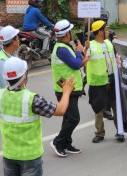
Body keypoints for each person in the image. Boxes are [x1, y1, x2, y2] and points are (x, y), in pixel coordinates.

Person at [0, 57, 74, 176]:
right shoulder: (32, 99)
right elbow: (60, 110)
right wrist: (66, 92)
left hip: (9, 155)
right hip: (29, 156)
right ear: (24, 76)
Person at [51, 19, 88, 157]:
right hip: (65, 89)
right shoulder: (62, 49)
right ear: (67, 34)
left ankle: (66, 143)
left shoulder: (63, 46)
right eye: (70, 31)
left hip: (68, 87)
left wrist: (81, 59)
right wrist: (79, 52)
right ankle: (57, 141)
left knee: (68, 118)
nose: (72, 33)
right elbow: (75, 64)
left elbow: (75, 64)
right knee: (73, 118)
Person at [86, 20, 124, 144]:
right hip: (98, 82)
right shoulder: (90, 45)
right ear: (100, 32)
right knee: (98, 108)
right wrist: (85, 49)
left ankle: (120, 131)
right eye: (106, 30)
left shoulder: (109, 43)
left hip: (111, 80)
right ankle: (99, 133)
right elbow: (84, 61)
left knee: (116, 106)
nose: (108, 32)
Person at [0, 26, 20, 94]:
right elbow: (5, 88)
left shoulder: (13, 54)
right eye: (17, 39)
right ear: (13, 42)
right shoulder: (1, 62)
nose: (19, 41)